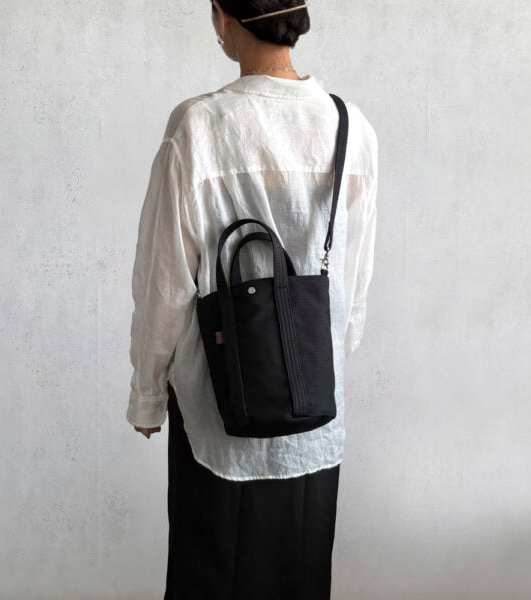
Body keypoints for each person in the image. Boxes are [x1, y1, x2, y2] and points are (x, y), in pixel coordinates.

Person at [126, 1, 378, 598]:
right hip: (312, 417)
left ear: (222, 15)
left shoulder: (199, 126)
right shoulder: (350, 127)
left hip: (217, 410)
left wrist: (147, 395)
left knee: (212, 577)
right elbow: (352, 287)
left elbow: (164, 280)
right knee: (299, 577)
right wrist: (313, 367)